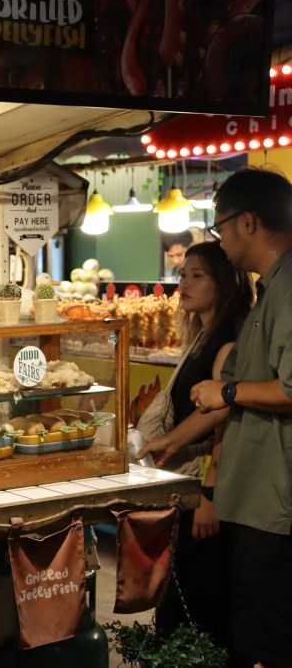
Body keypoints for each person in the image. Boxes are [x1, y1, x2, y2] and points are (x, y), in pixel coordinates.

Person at [139, 168, 292, 668]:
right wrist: (168, 442)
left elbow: (278, 389)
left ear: (248, 223)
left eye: (220, 227)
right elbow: (234, 398)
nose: (220, 240)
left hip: (274, 504)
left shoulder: (288, 287)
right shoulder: (272, 287)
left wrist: (225, 389)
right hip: (255, 498)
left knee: (263, 639)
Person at [141, 242, 253, 653]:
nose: (183, 284)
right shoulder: (205, 333)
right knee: (182, 592)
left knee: (202, 599)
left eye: (197, 276)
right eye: (182, 275)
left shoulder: (227, 339)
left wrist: (209, 495)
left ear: (223, 283)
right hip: (187, 481)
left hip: (206, 486)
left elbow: (225, 417)